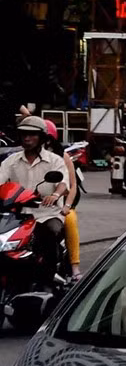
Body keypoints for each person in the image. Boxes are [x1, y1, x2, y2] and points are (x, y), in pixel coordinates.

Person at [0, 116, 70, 279]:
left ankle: (48, 276)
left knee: (50, 232)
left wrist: (55, 195)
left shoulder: (55, 161)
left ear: (42, 138)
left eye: (32, 134)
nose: (27, 138)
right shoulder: (11, 161)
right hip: (17, 215)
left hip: (46, 214)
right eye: (24, 134)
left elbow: (63, 183)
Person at [43, 119, 83, 279]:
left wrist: (67, 205)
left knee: (71, 220)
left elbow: (72, 185)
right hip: (36, 204)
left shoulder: (62, 156)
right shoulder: (29, 156)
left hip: (60, 203)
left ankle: (75, 267)